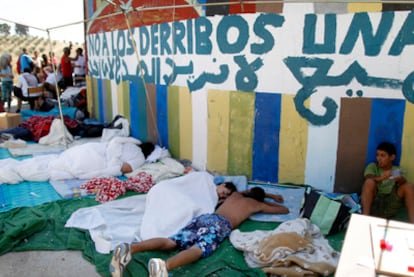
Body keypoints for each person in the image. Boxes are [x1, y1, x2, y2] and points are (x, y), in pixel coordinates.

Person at [109, 186, 289, 277]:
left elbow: (247, 191)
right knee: (198, 249)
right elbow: (283, 211)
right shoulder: (255, 205)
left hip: (205, 218)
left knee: (171, 241)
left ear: (248, 191)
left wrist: (266, 195)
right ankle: (164, 267)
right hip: (220, 225)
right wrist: (270, 200)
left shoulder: (236, 195)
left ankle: (131, 248)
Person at [360, 141, 414, 223]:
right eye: (377, 155)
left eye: (383, 155)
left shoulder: (397, 170)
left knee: (408, 186)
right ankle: (365, 219)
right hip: (375, 202)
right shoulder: (373, 166)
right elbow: (368, 178)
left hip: (390, 204)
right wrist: (382, 177)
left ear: (392, 157)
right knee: (369, 182)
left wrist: (399, 179)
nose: (379, 158)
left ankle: (412, 224)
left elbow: (403, 182)